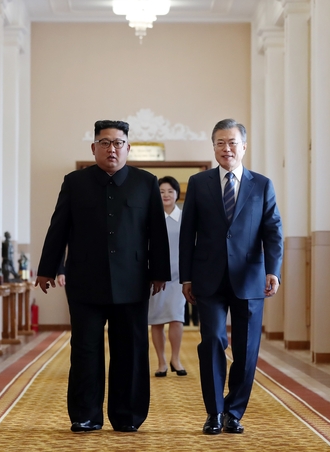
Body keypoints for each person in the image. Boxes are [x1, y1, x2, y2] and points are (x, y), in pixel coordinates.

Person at [35, 120, 171, 434]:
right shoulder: (75, 182)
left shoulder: (145, 182)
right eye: (105, 142)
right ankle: (85, 415)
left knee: (130, 350)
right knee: (85, 350)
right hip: (85, 282)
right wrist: (47, 269)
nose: (112, 149)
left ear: (128, 147)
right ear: (94, 147)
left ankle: (127, 415)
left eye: (118, 143)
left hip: (133, 282)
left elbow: (157, 232)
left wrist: (159, 273)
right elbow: (59, 227)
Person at [179, 118, 283, 435]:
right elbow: (187, 233)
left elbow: (273, 231)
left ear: (244, 147)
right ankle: (214, 412)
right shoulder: (199, 183)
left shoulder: (262, 184)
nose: (227, 148)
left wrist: (273, 270)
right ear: (213, 148)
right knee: (212, 340)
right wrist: (186, 277)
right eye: (220, 143)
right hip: (207, 278)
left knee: (246, 350)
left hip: (250, 278)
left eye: (232, 142)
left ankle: (234, 412)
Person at [148, 176, 187, 378]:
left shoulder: (185, 217)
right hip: (156, 276)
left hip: (179, 276)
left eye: (170, 191)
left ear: (177, 194)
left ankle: (176, 359)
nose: (166, 195)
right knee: (156, 320)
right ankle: (161, 361)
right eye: (161, 191)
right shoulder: (151, 217)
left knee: (176, 318)